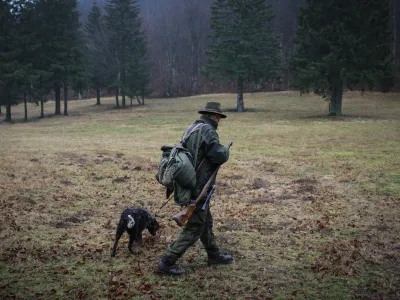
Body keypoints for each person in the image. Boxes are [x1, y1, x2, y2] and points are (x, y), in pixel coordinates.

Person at [156, 102, 234, 276]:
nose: (219, 121)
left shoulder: (192, 128)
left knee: (205, 221)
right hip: (199, 186)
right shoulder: (208, 130)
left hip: (189, 183)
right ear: (214, 117)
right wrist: (226, 151)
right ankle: (167, 262)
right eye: (219, 118)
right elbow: (217, 155)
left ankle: (214, 255)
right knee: (195, 227)